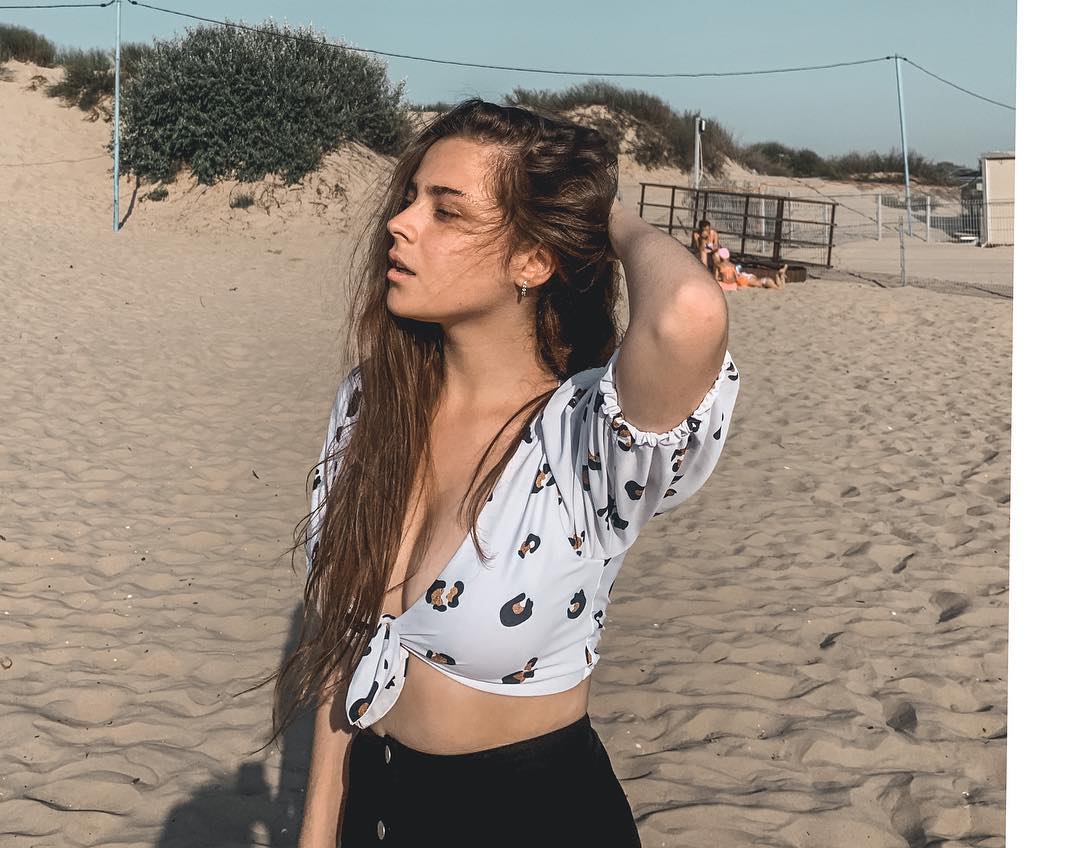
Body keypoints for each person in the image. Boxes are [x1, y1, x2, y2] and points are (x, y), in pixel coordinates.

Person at [266, 99, 740, 848]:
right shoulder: (373, 402)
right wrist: (318, 832)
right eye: (410, 198)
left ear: (532, 261)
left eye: (446, 211)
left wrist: (602, 213)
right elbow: (344, 644)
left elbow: (689, 310)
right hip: (372, 805)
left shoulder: (582, 439)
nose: (400, 223)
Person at [713, 246, 787, 291]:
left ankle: (778, 274)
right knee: (780, 287)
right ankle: (780, 274)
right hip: (747, 277)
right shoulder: (732, 265)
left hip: (749, 278)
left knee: (775, 287)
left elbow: (733, 278)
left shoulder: (720, 266)